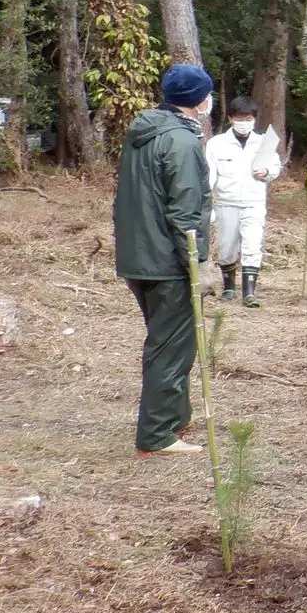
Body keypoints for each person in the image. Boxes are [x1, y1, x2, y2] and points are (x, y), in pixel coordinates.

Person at [116, 63, 216, 456]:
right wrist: (198, 262)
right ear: (199, 100)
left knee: (169, 341)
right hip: (166, 260)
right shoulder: (180, 141)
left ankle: (173, 415)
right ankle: (157, 435)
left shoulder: (143, 132)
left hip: (138, 254)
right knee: (169, 346)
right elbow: (186, 210)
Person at [206, 95, 282, 307]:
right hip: (226, 202)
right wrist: (207, 204)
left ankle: (249, 292)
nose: (244, 122)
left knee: (252, 245)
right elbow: (210, 176)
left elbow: (275, 168)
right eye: (240, 118)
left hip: (254, 202)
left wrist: (266, 171)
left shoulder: (263, 143)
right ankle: (229, 286)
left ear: (254, 119)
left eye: (248, 118)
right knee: (227, 246)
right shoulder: (217, 144)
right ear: (230, 118)